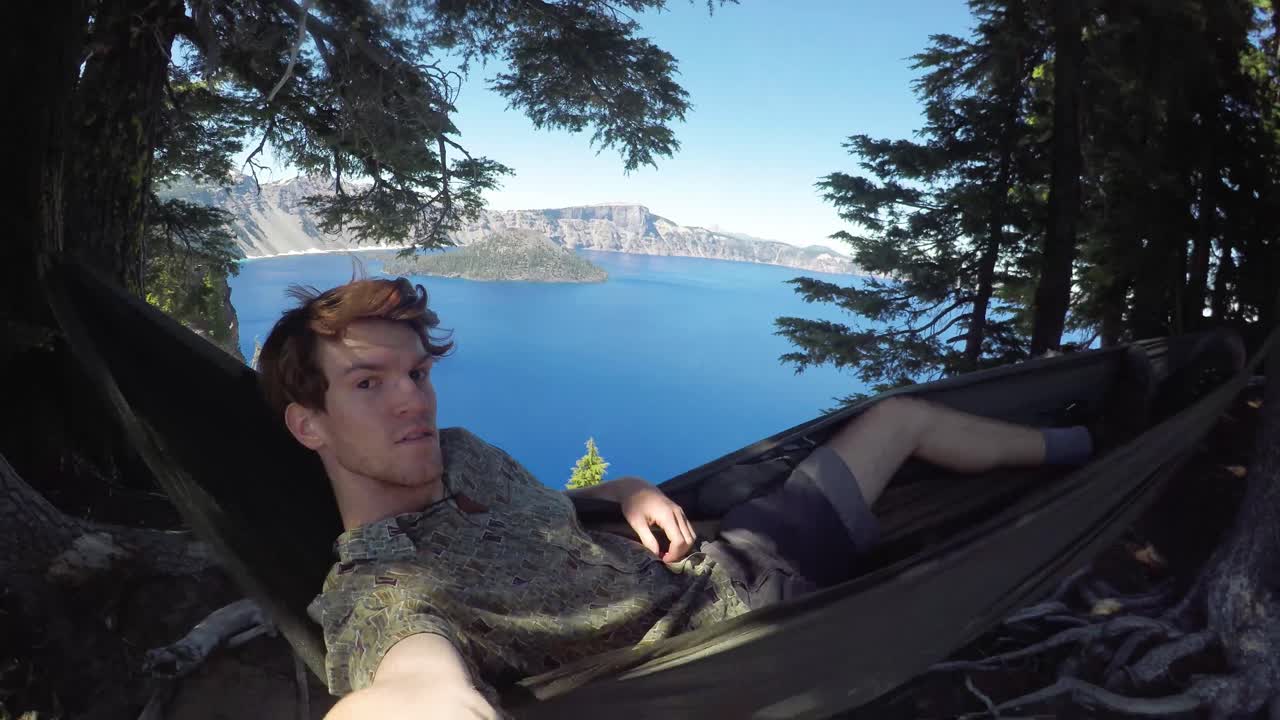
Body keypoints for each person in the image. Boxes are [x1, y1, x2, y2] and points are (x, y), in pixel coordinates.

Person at [257, 277, 1104, 720]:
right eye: (368, 384)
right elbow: (416, 687)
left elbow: (545, 507)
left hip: (728, 544)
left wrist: (623, 488)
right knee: (899, 434)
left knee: (898, 419)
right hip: (764, 612)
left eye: (416, 373)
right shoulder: (381, 587)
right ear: (309, 425)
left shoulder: (463, 456)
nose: (413, 400)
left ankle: (1097, 443)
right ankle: (1109, 468)